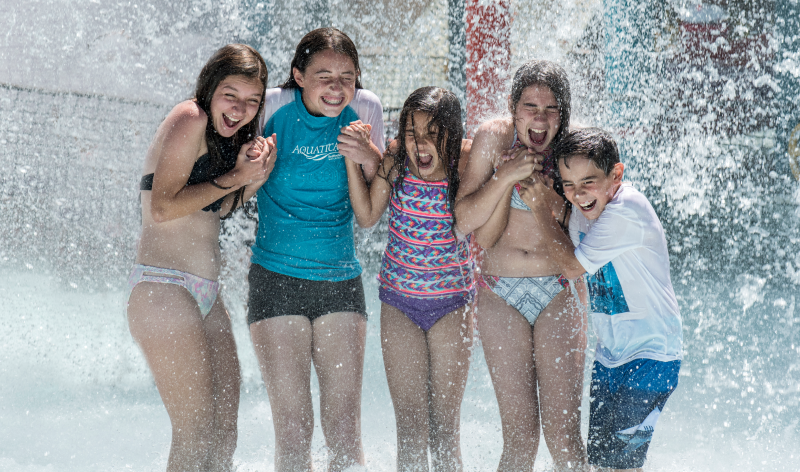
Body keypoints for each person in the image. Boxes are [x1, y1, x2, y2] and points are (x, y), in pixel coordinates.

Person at [126, 44, 275, 472]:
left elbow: (214, 209)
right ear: (211, 87)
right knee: (194, 434)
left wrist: (253, 179)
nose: (240, 109)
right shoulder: (190, 117)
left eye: (252, 101)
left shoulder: (224, 139)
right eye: (231, 95)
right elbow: (162, 207)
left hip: (205, 295)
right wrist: (237, 177)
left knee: (223, 432)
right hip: (163, 287)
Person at [247, 27, 384, 472]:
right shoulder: (270, 106)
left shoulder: (367, 109)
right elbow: (238, 181)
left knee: (344, 429)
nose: (337, 87)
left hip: (339, 280)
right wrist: (254, 164)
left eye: (347, 77)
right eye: (324, 76)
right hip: (275, 279)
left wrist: (370, 155)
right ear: (299, 76)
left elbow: (375, 202)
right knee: (293, 429)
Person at [520, 128, 683, 472]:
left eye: (588, 182)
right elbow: (568, 213)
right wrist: (535, 185)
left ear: (616, 175)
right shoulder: (589, 206)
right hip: (611, 355)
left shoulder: (626, 209)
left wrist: (538, 209)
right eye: (568, 184)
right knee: (602, 461)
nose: (578, 194)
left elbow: (571, 267)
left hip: (651, 356)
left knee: (620, 465)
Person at [454, 60, 588, 471]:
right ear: (513, 106)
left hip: (558, 291)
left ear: (563, 114)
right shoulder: (493, 139)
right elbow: (465, 222)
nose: (540, 119)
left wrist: (547, 199)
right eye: (530, 107)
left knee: (564, 436)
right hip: (499, 293)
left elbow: (590, 226)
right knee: (520, 436)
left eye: (551, 110)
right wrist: (505, 176)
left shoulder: (575, 148)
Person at [346, 87, 474, 472]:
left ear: (452, 134)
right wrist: (353, 159)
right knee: (411, 427)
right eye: (412, 131)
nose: (421, 143)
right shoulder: (397, 159)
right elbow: (367, 216)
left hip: (452, 305)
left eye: (432, 133)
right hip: (399, 304)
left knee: (444, 429)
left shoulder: (466, 163)